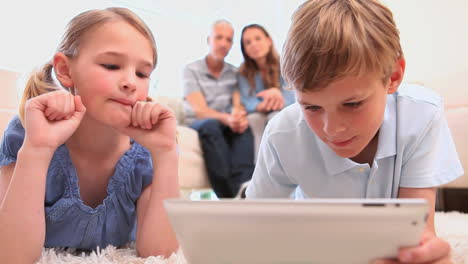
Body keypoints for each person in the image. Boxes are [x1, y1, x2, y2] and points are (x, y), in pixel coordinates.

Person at [246, 0, 464, 263]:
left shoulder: (422, 115)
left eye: (352, 104)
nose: (331, 128)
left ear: (393, 77)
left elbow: (417, 234)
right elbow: (256, 226)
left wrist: (423, 253)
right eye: (312, 107)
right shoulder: (282, 134)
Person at [0, 8, 179, 263]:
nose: (131, 82)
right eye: (111, 65)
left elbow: (160, 255)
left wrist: (167, 153)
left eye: (142, 73)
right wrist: (38, 149)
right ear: (65, 70)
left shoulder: (146, 153)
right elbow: (11, 256)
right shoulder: (27, 132)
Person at [182, 20, 255, 198]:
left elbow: (238, 103)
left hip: (226, 123)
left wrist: (238, 117)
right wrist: (228, 119)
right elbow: (200, 110)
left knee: (245, 129)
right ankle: (228, 195)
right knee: (211, 126)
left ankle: (246, 187)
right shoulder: (191, 70)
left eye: (229, 40)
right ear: (209, 39)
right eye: (219, 38)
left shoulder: (235, 72)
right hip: (201, 123)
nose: (224, 43)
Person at [238, 24, 295, 160]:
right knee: (254, 118)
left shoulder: (285, 63)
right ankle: (259, 168)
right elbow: (247, 99)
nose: (253, 44)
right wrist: (260, 105)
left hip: (281, 109)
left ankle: (282, 165)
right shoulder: (243, 72)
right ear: (245, 49)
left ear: (268, 40)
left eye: (258, 38)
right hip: (259, 112)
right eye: (248, 42)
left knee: (275, 117)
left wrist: (277, 95)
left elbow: (292, 94)